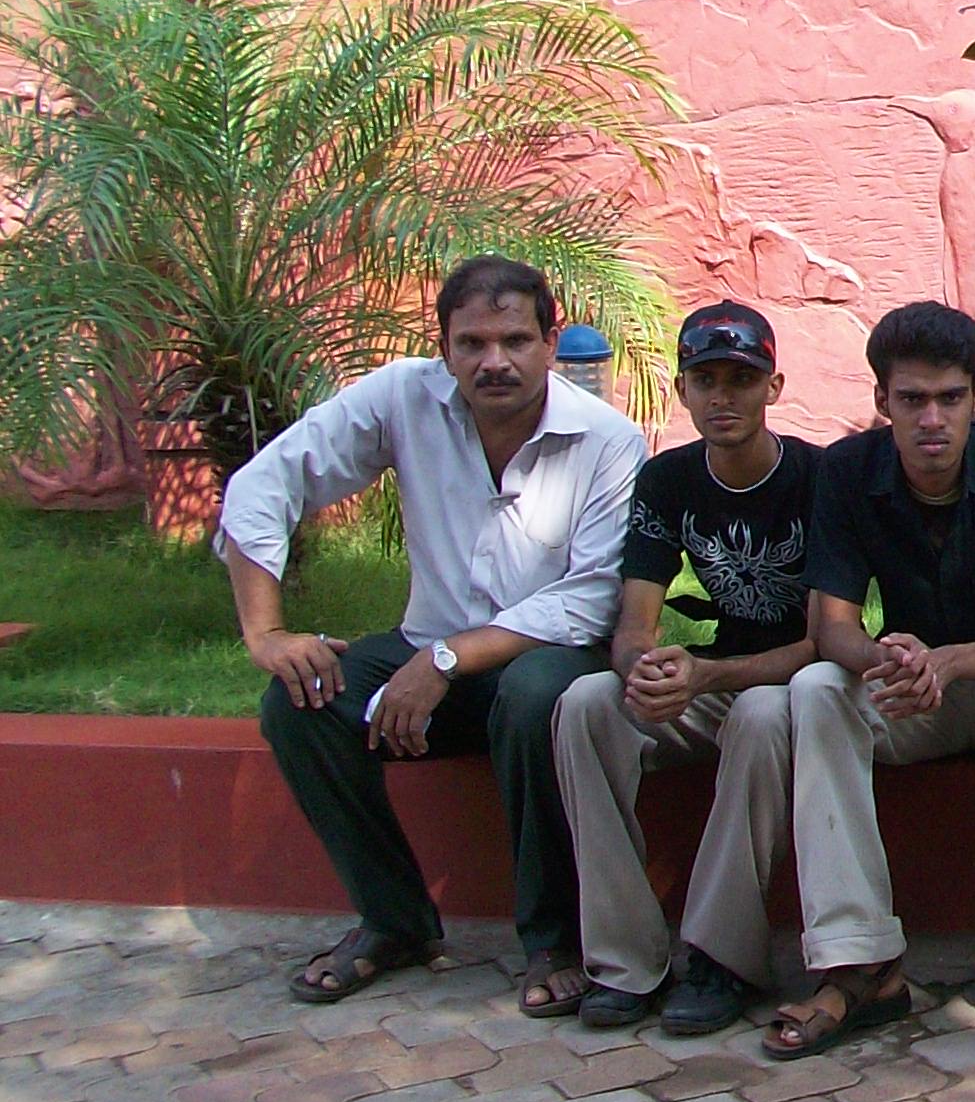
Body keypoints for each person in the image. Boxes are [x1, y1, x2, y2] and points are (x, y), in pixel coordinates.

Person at [222, 255, 646, 1013]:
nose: (494, 362)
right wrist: (267, 633)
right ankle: (394, 922)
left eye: (515, 341)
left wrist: (446, 659)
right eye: (472, 343)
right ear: (443, 348)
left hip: (546, 658)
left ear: (550, 344)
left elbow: (591, 597)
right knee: (300, 702)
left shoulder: (607, 439)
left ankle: (554, 940)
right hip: (429, 645)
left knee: (538, 696)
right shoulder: (402, 397)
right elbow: (265, 482)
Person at [775, 301, 975, 1060]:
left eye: (950, 398)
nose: (932, 420)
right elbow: (832, 629)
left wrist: (951, 661)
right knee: (816, 690)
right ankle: (860, 962)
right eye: (912, 399)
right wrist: (891, 660)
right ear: (882, 401)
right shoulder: (848, 470)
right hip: (911, 692)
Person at [552, 304, 819, 1035]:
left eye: (742, 380)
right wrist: (644, 670)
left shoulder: (820, 478)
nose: (722, 397)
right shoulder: (666, 480)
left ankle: (720, 959)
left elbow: (829, 643)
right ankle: (624, 960)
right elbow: (632, 627)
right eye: (705, 381)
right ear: (682, 391)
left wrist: (705, 677)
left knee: (762, 713)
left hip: (798, 689)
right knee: (587, 702)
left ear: (774, 387)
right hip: (712, 678)